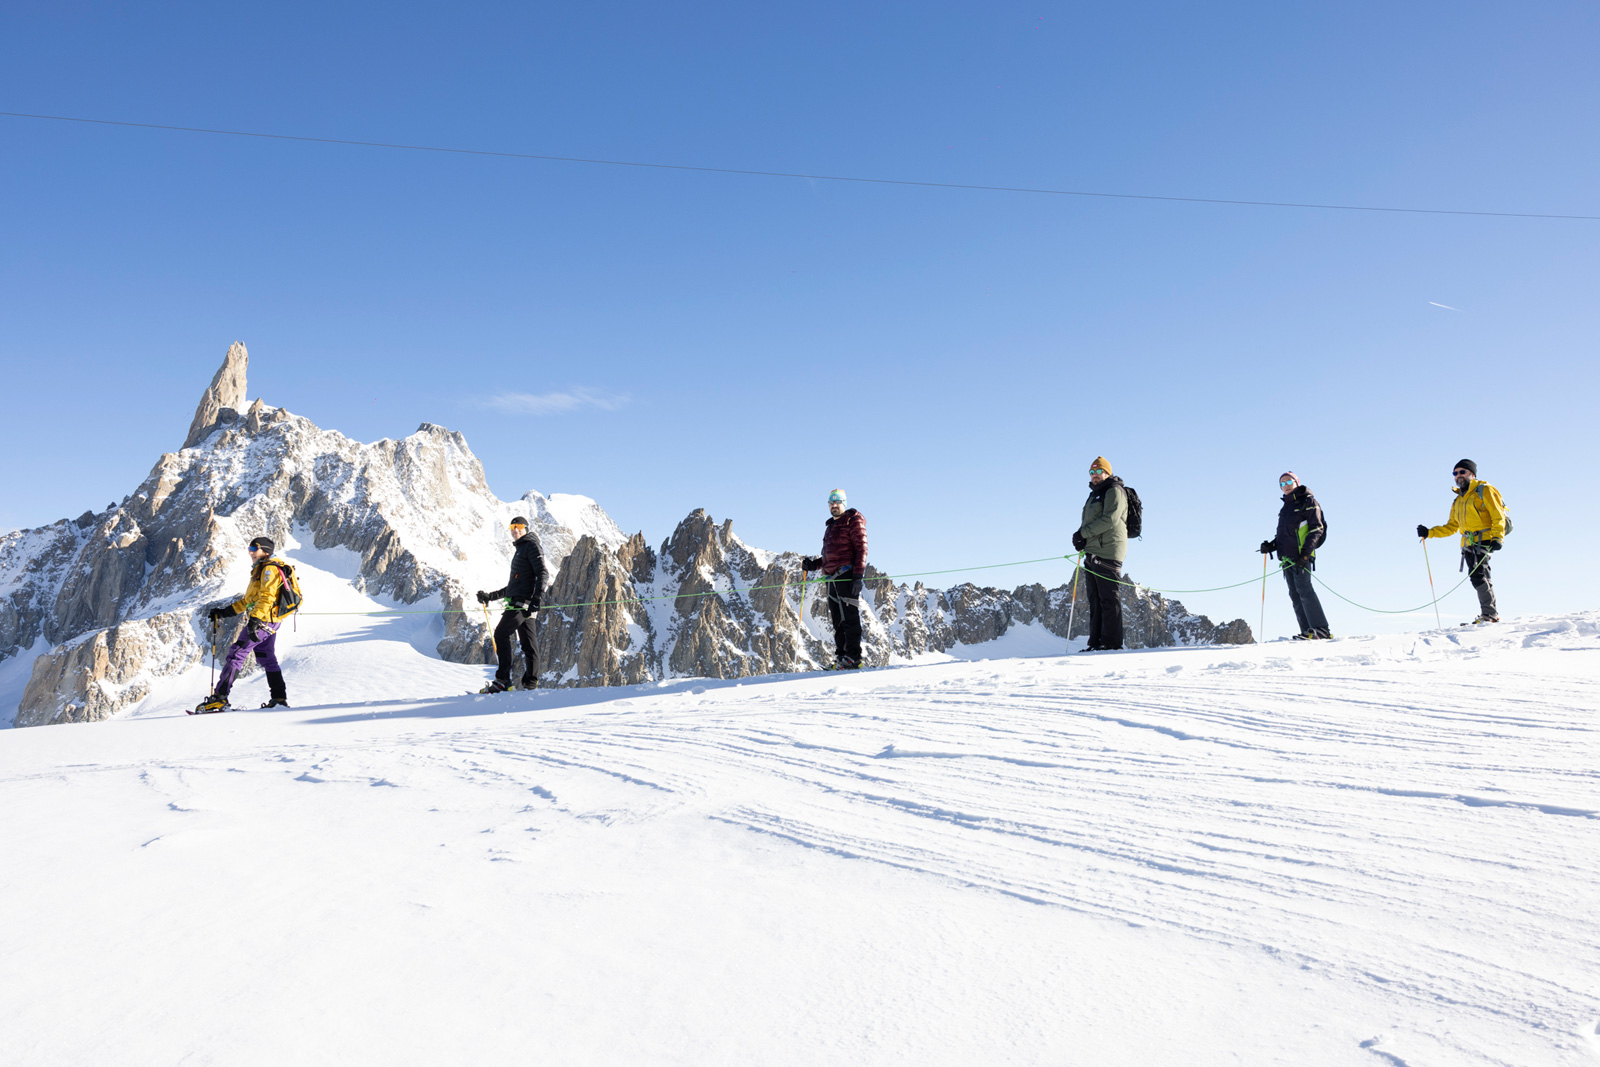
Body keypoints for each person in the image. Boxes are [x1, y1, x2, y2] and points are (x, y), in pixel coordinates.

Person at [193, 536, 300, 713]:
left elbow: (267, 597)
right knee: (267, 658)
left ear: (265, 551)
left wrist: (255, 621)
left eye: (254, 548)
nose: (250, 552)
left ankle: (220, 698)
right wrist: (224, 612)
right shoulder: (261, 569)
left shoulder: (269, 570)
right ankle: (279, 698)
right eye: (249, 548)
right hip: (267, 620)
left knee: (237, 653)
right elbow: (249, 601)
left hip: (263, 620)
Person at [1418, 458, 1507, 624]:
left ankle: (1489, 615)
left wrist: (1498, 537)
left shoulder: (1485, 490)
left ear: (1472, 474)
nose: (1458, 475)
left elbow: (1498, 514)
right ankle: (1489, 614)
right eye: (1455, 473)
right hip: (1467, 544)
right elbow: (1452, 527)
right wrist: (1429, 533)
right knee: (1478, 576)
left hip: (1485, 539)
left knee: (1479, 575)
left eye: (1462, 472)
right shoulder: (1458, 499)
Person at [475, 516, 547, 692]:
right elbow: (515, 585)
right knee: (528, 644)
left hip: (522, 604)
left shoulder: (530, 546)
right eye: (512, 527)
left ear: (526, 528)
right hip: (523, 602)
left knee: (501, 634)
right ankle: (530, 684)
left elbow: (543, 573)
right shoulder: (521, 548)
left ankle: (503, 681)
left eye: (519, 526)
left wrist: (536, 599)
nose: (515, 529)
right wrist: (490, 596)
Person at [1259, 471, 1331, 639]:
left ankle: (1321, 629)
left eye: (1289, 482)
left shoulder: (1309, 501)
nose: (1286, 486)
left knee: (1304, 590)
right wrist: (1272, 545)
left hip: (1301, 556)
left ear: (1297, 482)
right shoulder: (1286, 507)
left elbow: (1316, 528)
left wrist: (1305, 554)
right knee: (1295, 593)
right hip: (1287, 558)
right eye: (1282, 484)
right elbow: (1286, 534)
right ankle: (1308, 631)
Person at [801, 489, 867, 669]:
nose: (834, 505)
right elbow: (829, 558)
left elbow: (862, 549)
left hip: (846, 575)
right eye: (831, 502)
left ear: (844, 503)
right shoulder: (830, 526)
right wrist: (812, 565)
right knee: (837, 621)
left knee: (849, 618)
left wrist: (857, 576)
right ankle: (842, 658)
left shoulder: (853, 521)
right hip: (831, 578)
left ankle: (853, 658)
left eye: (837, 502)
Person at [1071, 457, 1128, 651]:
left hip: (1108, 550)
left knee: (1108, 599)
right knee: (1095, 600)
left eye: (1098, 472)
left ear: (1107, 473)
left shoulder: (1114, 491)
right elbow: (1090, 521)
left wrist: (1083, 534)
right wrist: (1081, 539)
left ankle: (1112, 643)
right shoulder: (1094, 494)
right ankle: (1096, 642)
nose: (1094, 476)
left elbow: (1110, 520)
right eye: (1092, 473)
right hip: (1093, 550)